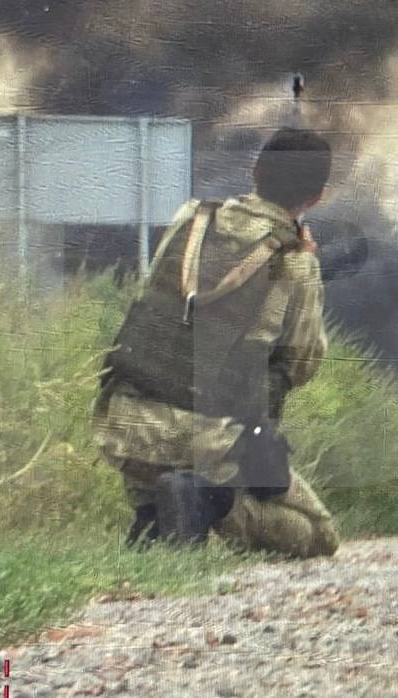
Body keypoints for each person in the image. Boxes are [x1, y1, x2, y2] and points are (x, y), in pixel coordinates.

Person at [92, 128, 339, 559]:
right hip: (210, 438)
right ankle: (211, 504)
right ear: (316, 197)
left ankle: (154, 516)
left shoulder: (191, 219)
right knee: (318, 534)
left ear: (256, 170)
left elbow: (152, 294)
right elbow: (302, 362)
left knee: (163, 482)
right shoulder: (295, 261)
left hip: (124, 423)